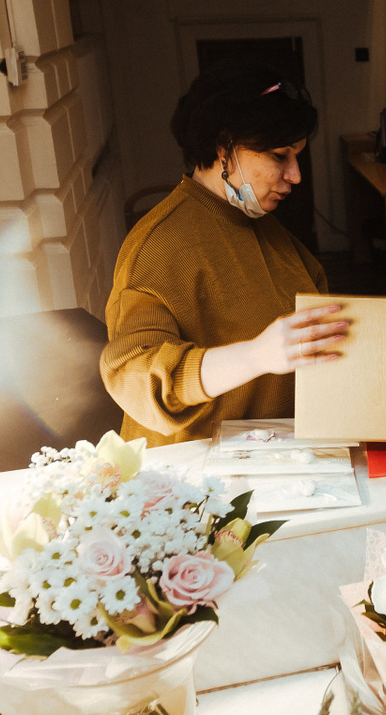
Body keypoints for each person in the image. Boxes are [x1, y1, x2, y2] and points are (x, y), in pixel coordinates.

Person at [101, 60, 350, 446]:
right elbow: (132, 375)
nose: (296, 175)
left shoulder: (275, 236)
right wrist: (255, 356)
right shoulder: (157, 246)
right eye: (279, 156)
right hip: (194, 473)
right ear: (224, 148)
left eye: (297, 156)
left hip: (277, 458)